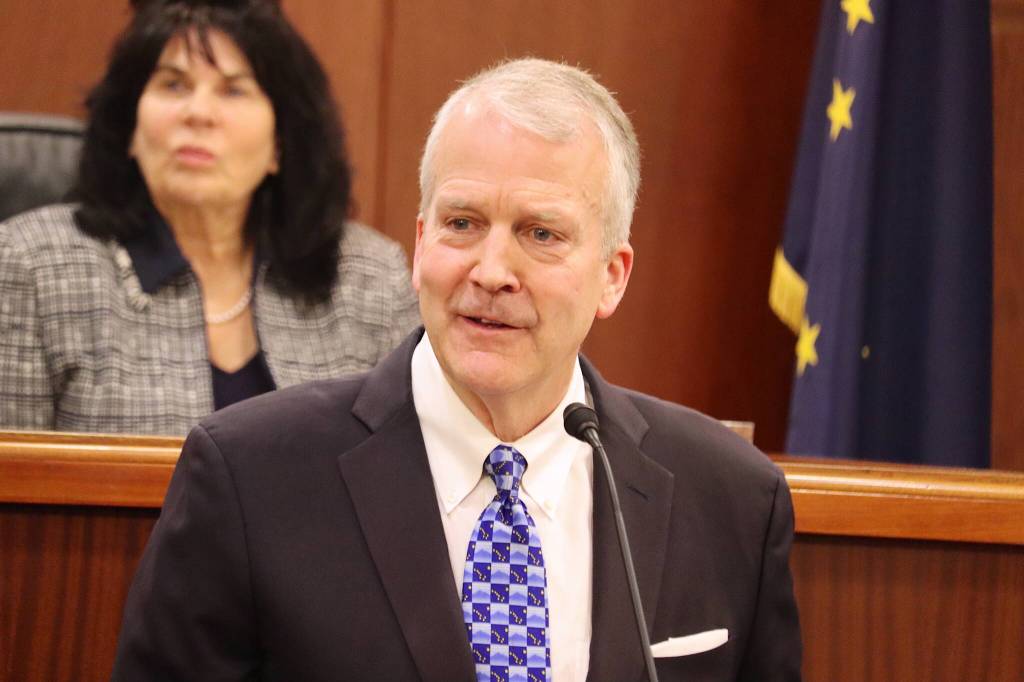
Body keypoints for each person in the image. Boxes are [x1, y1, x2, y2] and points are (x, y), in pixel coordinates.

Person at [112, 58, 801, 681]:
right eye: (463, 223)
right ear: (421, 245)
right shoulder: (248, 477)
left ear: (612, 275)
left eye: (541, 233)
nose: (491, 271)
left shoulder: (733, 499)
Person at [0, 0, 419, 435]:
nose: (198, 113)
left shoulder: (369, 280)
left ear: (280, 142)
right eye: (173, 85)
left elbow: (406, 466)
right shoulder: (32, 269)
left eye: (234, 90)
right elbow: (14, 473)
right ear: (130, 127)